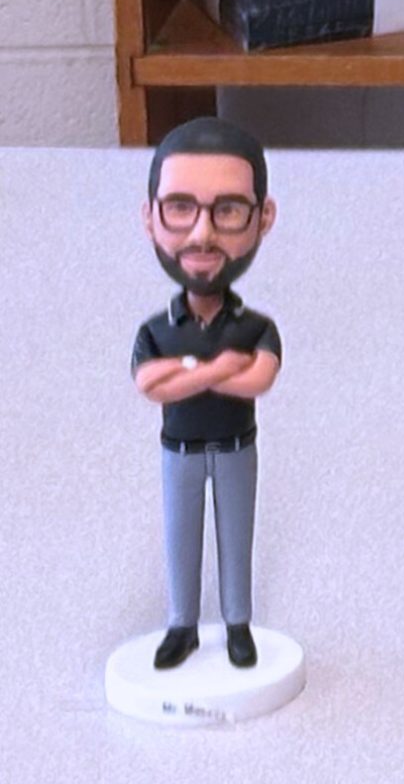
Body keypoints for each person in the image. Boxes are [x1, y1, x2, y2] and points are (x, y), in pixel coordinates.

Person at [131, 117, 282, 670]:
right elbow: (149, 384)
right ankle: (183, 626)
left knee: (235, 535)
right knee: (181, 538)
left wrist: (185, 371)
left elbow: (259, 379)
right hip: (179, 453)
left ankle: (238, 625)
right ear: (149, 217)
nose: (201, 233)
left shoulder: (256, 324)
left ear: (263, 217)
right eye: (179, 207)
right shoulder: (156, 328)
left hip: (238, 447)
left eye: (227, 210)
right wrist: (218, 365)